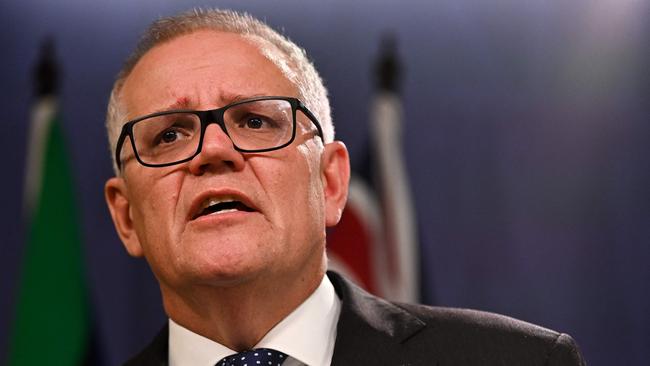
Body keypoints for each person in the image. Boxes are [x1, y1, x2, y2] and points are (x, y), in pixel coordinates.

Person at [104, 8, 586, 366]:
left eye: (254, 120)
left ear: (331, 182)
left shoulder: (520, 361)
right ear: (126, 217)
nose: (213, 150)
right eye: (168, 135)